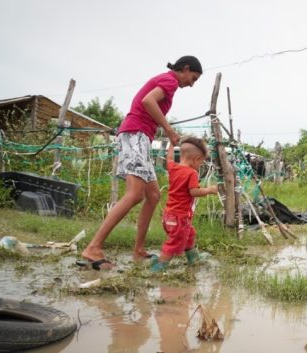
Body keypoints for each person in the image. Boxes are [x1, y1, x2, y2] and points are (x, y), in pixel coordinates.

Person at [81, 56, 203, 270]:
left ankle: (138, 250)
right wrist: (169, 129)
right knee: (135, 194)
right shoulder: (170, 81)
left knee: (153, 195)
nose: (191, 84)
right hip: (135, 134)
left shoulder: (167, 81)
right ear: (185, 69)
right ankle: (94, 247)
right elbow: (148, 101)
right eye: (193, 78)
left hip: (142, 138)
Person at [151, 137, 218, 272]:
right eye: (201, 162)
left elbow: (169, 158)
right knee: (174, 242)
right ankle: (159, 266)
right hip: (180, 217)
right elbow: (194, 192)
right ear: (197, 159)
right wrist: (210, 190)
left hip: (169, 215)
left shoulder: (173, 167)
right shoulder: (191, 173)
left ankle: (193, 258)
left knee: (190, 234)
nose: (200, 165)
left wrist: (171, 144)